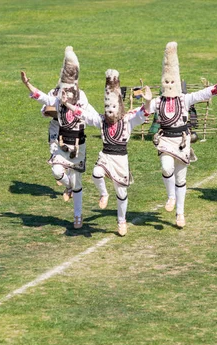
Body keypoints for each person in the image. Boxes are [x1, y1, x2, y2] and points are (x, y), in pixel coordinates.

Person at [63, 70, 152, 236]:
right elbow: (84, 114)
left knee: (121, 193)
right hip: (105, 156)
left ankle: (121, 220)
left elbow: (143, 114)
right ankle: (104, 194)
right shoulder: (101, 120)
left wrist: (147, 102)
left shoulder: (127, 120)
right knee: (96, 173)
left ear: (119, 106)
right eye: (107, 107)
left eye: (113, 106)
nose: (110, 110)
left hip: (120, 159)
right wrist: (67, 104)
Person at [148, 42, 217, 228]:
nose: (169, 85)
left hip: (182, 141)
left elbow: (202, 94)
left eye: (172, 82)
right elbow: (141, 111)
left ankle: (180, 213)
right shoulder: (158, 101)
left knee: (181, 179)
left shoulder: (184, 99)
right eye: (166, 82)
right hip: (166, 139)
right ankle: (170, 197)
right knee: (167, 168)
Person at [21, 46, 96, 229]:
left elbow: (90, 114)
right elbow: (44, 100)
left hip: (77, 141)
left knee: (78, 180)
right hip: (61, 138)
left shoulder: (81, 96)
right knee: (57, 172)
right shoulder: (58, 95)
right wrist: (27, 85)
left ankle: (77, 216)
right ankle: (68, 186)